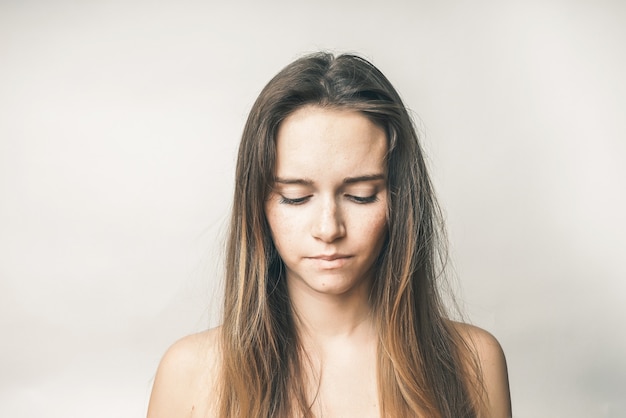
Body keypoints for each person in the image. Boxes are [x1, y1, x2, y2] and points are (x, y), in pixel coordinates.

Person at [146, 52, 511, 418]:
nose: (328, 229)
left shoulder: (473, 362)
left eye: (360, 195)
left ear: (401, 202)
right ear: (257, 205)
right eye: (296, 198)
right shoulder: (189, 373)